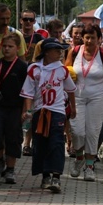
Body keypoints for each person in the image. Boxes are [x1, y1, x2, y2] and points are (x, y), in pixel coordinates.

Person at [20, 38, 77, 193]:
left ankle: (56, 177)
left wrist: (72, 107)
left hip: (57, 111)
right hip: (40, 111)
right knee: (40, 143)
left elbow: (71, 90)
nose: (60, 53)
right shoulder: (34, 69)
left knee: (57, 142)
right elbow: (28, 92)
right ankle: (45, 176)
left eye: (61, 50)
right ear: (46, 52)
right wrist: (28, 110)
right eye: (56, 50)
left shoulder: (63, 70)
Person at [65, 23, 103, 182]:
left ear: (99, 39)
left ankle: (89, 167)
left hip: (97, 96)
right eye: (87, 37)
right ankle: (78, 158)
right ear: (82, 38)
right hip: (77, 96)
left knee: (92, 131)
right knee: (77, 131)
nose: (89, 41)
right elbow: (64, 70)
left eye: (93, 38)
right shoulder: (74, 51)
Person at [0, 32, 28, 184]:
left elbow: (26, 91)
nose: (7, 49)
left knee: (13, 137)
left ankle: (10, 170)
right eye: (4, 46)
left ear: (17, 48)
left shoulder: (23, 67)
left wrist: (25, 110)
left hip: (15, 107)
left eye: (10, 46)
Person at [30, 19, 66, 156]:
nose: (58, 35)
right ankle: (31, 142)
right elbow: (36, 61)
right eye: (55, 32)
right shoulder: (41, 44)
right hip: (43, 83)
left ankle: (58, 143)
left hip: (58, 82)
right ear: (49, 32)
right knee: (37, 114)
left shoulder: (63, 44)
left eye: (60, 32)